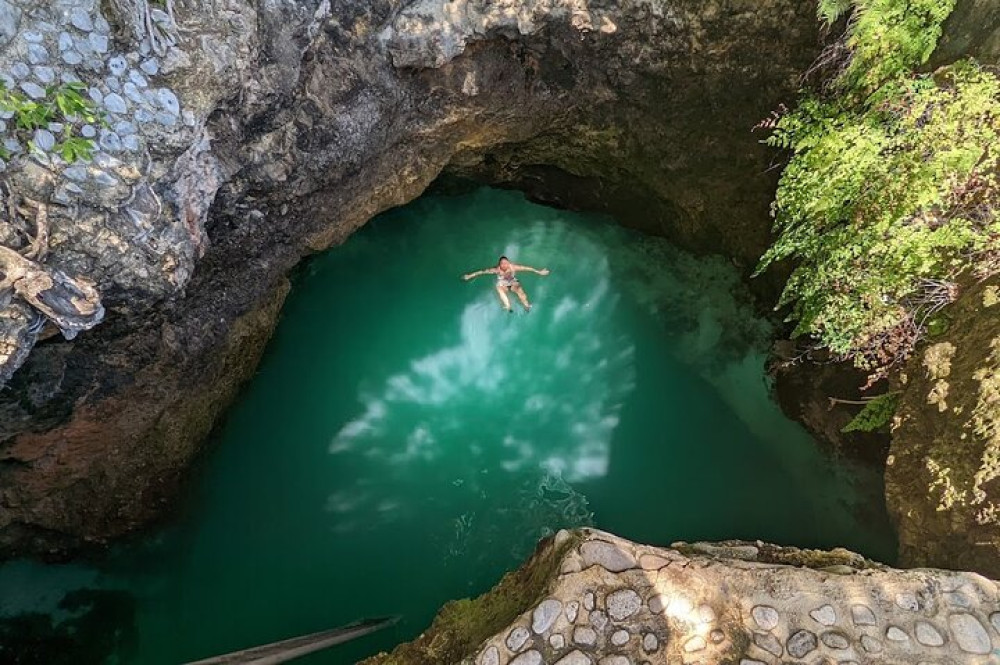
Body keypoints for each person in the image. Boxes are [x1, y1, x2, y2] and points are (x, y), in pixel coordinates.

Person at [463, 256, 550, 312]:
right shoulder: (496, 270)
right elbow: (482, 272)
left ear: (509, 263)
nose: (504, 265)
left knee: (520, 292)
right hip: (503, 284)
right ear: (499, 264)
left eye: (506, 263)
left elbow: (527, 268)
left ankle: (526, 305)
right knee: (499, 288)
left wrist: (538, 272)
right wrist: (470, 276)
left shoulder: (514, 267)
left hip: (512, 282)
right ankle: (508, 306)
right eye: (502, 263)